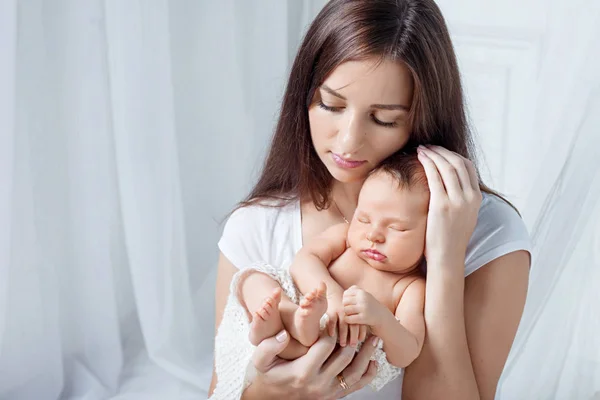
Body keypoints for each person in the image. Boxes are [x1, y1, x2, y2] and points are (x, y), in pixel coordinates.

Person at [209, 0, 532, 398]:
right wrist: (273, 393)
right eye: (331, 104)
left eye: (383, 119)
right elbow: (219, 388)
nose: (347, 142)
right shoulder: (257, 224)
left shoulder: (490, 234)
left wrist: (445, 261)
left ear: (424, 117)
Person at [220, 153, 428, 394]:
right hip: (302, 301)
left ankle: (288, 332)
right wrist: (333, 297)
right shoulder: (345, 236)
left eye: (396, 228)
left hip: (330, 345)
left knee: (312, 348)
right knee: (254, 279)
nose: (373, 235)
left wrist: (380, 317)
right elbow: (304, 261)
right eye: (364, 218)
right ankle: (284, 320)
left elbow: (407, 351)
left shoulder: (409, 287)